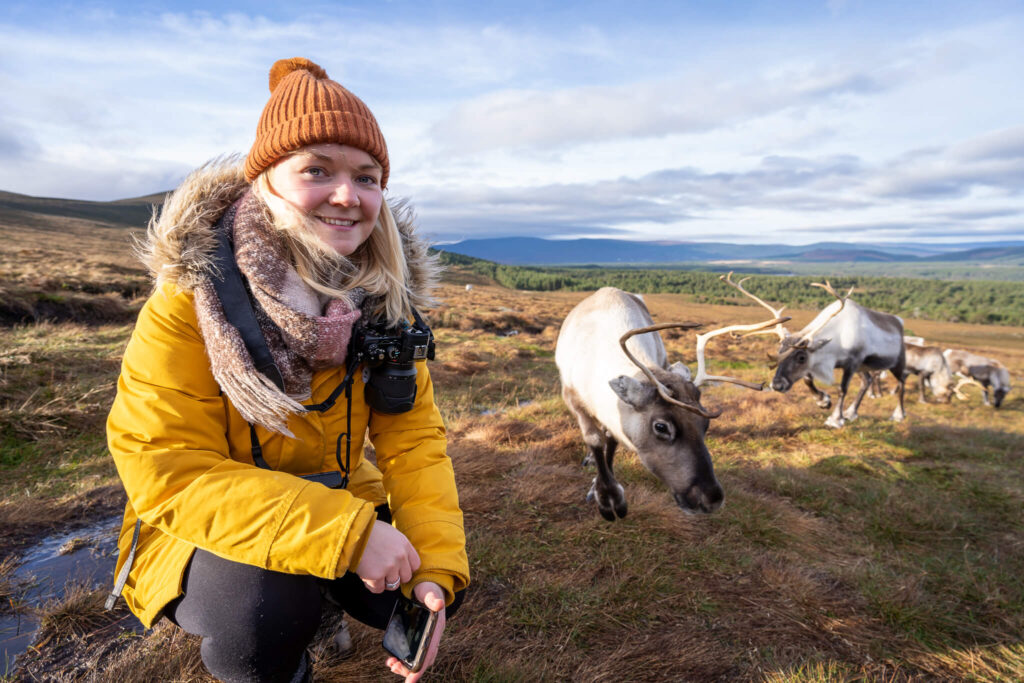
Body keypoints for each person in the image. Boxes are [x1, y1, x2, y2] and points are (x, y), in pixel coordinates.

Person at [106, 57, 469, 683]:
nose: (347, 195)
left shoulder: (386, 307)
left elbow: (414, 443)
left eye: (367, 176)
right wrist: (350, 536)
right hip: (198, 529)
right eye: (316, 170)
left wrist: (437, 568)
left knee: (418, 589)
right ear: (266, 181)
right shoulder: (191, 303)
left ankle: (327, 594)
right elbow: (166, 471)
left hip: (341, 498)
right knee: (266, 605)